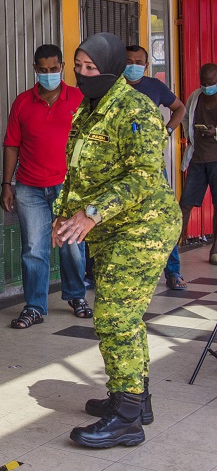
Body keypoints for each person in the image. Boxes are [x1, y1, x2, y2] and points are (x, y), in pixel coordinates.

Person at [53, 32, 180, 449]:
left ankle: (127, 418)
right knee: (122, 315)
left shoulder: (135, 108)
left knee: (114, 314)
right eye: (79, 66)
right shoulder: (86, 111)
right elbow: (74, 173)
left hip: (144, 225)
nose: (81, 74)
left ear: (110, 68)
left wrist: (90, 214)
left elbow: (143, 177)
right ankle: (135, 399)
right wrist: (61, 218)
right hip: (109, 228)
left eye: (91, 68)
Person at [1, 44, 89, 328]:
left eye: (54, 69)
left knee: (72, 245)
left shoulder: (78, 98)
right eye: (43, 69)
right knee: (34, 248)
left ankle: (76, 296)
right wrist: (6, 183)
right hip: (29, 187)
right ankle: (35, 306)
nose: (49, 74)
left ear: (62, 67)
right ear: (35, 69)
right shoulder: (23, 102)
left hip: (69, 187)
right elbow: (11, 145)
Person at [125, 45, 188, 289]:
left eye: (138, 61)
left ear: (146, 64)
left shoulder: (154, 87)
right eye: (128, 61)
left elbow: (180, 108)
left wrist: (168, 130)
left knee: (163, 217)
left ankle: (173, 272)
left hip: (151, 164)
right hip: (119, 165)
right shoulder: (112, 88)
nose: (133, 65)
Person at [179, 63, 217, 266]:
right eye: (203, 83)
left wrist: (215, 132)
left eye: (210, 83)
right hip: (197, 159)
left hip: (216, 159)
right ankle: (173, 247)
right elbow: (185, 117)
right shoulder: (195, 96)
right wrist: (190, 136)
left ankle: (215, 249)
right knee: (185, 204)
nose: (206, 86)